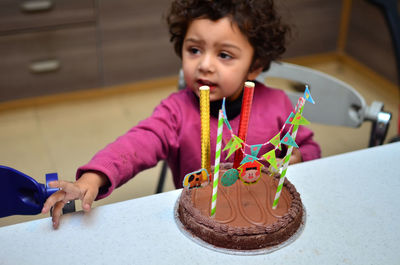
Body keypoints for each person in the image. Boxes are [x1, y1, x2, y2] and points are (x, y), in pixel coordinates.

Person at [42, 0, 321, 228]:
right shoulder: (176, 112)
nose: (205, 65)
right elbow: (136, 144)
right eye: (194, 50)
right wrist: (93, 178)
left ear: (255, 65)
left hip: (261, 217)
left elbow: (309, 147)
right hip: (199, 223)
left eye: (224, 55)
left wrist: (300, 159)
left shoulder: (279, 105)